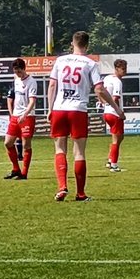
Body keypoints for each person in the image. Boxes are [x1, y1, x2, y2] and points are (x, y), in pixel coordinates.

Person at [46, 31, 123, 202]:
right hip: (78, 110)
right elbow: (99, 89)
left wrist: (50, 109)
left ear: (72, 43)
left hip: (59, 109)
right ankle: (80, 194)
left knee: (59, 149)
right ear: (87, 45)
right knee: (79, 153)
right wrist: (116, 108)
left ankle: (62, 186)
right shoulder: (90, 63)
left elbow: (52, 85)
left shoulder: (60, 60)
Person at [3, 59, 37, 180]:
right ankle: (16, 169)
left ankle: (24, 173)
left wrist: (25, 114)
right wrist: (13, 114)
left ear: (24, 69)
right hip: (16, 116)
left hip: (27, 117)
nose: (18, 73)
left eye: (19, 71)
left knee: (26, 145)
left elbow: (32, 101)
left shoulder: (32, 82)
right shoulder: (16, 80)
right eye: (16, 71)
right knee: (8, 143)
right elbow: (13, 97)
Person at [103, 59, 128, 172]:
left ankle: (110, 160)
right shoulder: (117, 82)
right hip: (114, 114)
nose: (125, 71)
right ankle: (113, 165)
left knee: (120, 137)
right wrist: (119, 112)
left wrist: (103, 103)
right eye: (123, 69)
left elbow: (100, 91)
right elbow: (115, 98)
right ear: (117, 69)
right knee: (116, 140)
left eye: (125, 69)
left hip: (107, 112)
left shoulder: (107, 78)